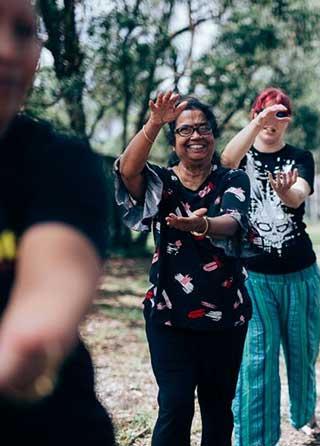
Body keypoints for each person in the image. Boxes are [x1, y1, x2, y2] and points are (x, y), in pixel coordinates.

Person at [0, 0, 114, 444]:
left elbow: (48, 298)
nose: (8, 50)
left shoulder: (56, 162)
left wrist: (25, 348)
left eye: (24, 31)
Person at [115, 91, 252, 446]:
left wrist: (202, 226)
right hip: (168, 316)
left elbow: (234, 221)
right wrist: (154, 122)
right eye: (185, 130)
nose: (196, 136)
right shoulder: (161, 182)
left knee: (218, 409)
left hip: (226, 315)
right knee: (174, 405)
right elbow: (128, 170)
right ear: (173, 140)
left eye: (203, 128)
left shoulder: (231, 179)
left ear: (213, 135)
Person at [222, 87, 320, 445]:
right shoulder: (244, 154)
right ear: (254, 116)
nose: (272, 122)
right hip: (255, 279)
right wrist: (256, 124)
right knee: (257, 360)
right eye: (265, 114)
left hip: (300, 274)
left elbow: (299, 194)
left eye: (280, 114)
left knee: (302, 352)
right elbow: (226, 161)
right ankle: (254, 438)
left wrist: (285, 194)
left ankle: (304, 413)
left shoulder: (299, 157)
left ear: (289, 121)